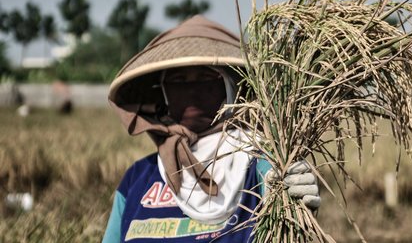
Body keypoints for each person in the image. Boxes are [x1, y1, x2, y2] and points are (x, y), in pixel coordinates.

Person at [103, 15, 319, 243]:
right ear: (164, 92)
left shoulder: (258, 163)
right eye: (179, 79)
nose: (192, 90)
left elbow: (285, 202)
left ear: (230, 87)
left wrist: (295, 197)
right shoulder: (138, 178)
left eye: (206, 77)